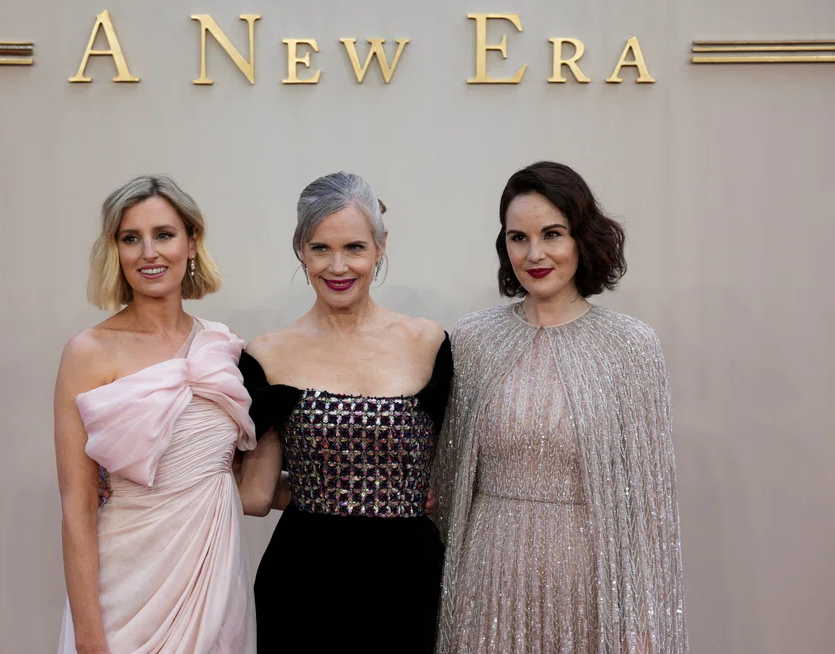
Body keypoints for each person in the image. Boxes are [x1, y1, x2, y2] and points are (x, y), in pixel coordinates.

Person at [433, 161, 687, 654]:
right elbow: (446, 477)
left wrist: (645, 618)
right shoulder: (471, 340)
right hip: (486, 576)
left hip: (588, 582)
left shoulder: (630, 347)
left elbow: (650, 507)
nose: (535, 254)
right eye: (518, 238)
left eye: (552, 234)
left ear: (581, 238)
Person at [235, 171, 452, 654]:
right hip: (304, 584)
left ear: (381, 245)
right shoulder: (267, 355)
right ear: (300, 249)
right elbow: (255, 494)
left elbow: (454, 467)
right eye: (320, 249)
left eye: (354, 247)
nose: (338, 266)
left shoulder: (429, 343)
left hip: (410, 582)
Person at [53, 175, 256, 654]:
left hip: (212, 577)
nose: (149, 252)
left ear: (191, 243)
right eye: (131, 238)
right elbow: (77, 505)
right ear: (115, 251)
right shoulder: (87, 353)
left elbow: (235, 470)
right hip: (126, 584)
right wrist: (89, 638)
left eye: (163, 234)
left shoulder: (222, 346)